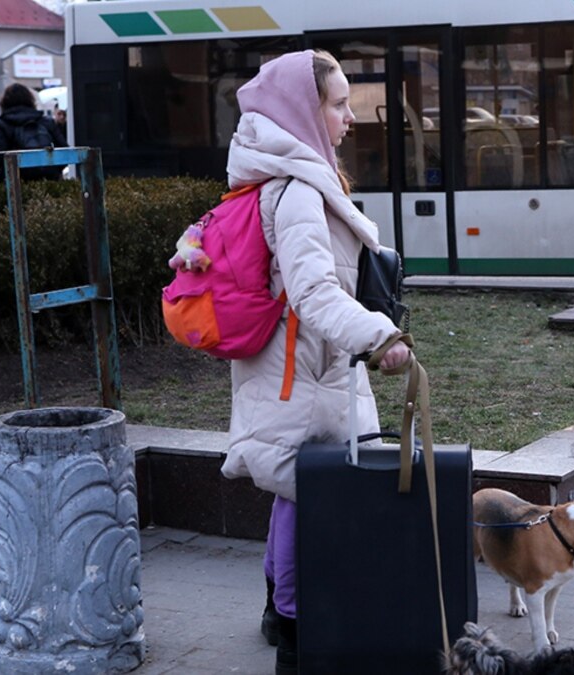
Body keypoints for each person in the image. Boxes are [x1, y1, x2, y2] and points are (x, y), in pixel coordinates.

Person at [217, 50, 411, 675]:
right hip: (302, 378)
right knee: (311, 500)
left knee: (296, 495)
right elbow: (315, 292)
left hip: (302, 371)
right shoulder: (298, 190)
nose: (350, 117)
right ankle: (298, 644)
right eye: (337, 103)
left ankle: (281, 615)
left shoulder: (292, 175)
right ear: (305, 109)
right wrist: (381, 335)